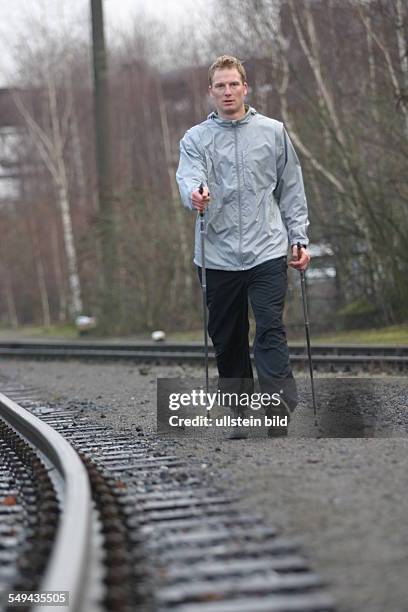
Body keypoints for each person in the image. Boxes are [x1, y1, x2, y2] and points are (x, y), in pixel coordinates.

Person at [176, 55, 311, 438]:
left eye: (234, 84)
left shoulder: (273, 132)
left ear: (245, 87)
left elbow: (291, 189)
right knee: (227, 336)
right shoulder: (196, 139)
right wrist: (195, 194)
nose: (228, 91)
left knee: (269, 327)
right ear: (211, 92)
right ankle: (237, 411)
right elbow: (189, 176)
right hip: (216, 255)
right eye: (220, 85)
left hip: (266, 249)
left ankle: (277, 408)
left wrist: (298, 238)